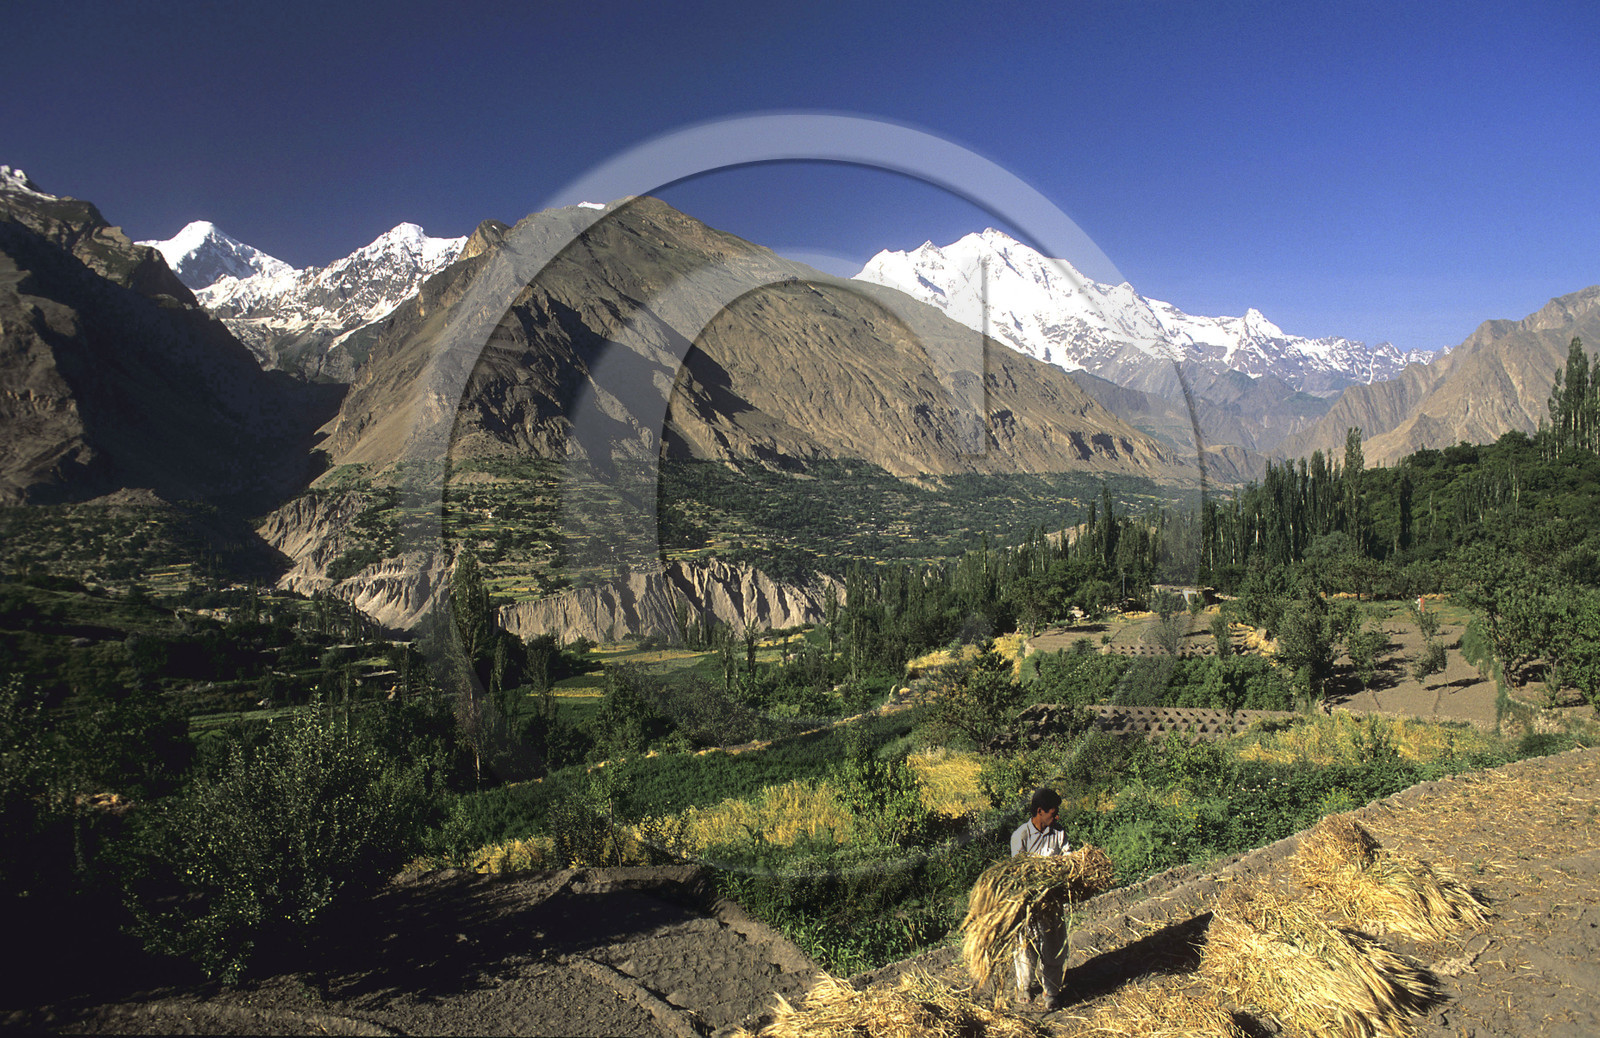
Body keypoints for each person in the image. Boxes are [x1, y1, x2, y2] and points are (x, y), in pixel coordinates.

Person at [1010, 787, 1069, 1009]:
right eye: (1053, 813)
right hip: (1029, 902)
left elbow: (1067, 858)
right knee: (1025, 946)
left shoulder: (1059, 833)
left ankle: (1051, 990)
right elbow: (1019, 871)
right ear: (1040, 811)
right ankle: (1024, 986)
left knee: (1054, 945)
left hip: (1052, 900)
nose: (1056, 817)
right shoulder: (1021, 836)